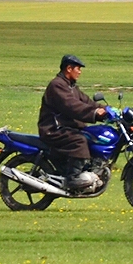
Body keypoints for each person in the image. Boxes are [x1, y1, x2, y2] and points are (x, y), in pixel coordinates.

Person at [38, 54, 107, 190]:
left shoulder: (71, 87)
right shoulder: (57, 85)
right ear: (69, 68)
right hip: (53, 129)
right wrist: (94, 113)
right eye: (78, 69)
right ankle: (73, 179)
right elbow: (72, 106)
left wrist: (107, 110)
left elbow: (87, 102)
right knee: (80, 141)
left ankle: (88, 170)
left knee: (91, 136)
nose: (80, 72)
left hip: (66, 128)